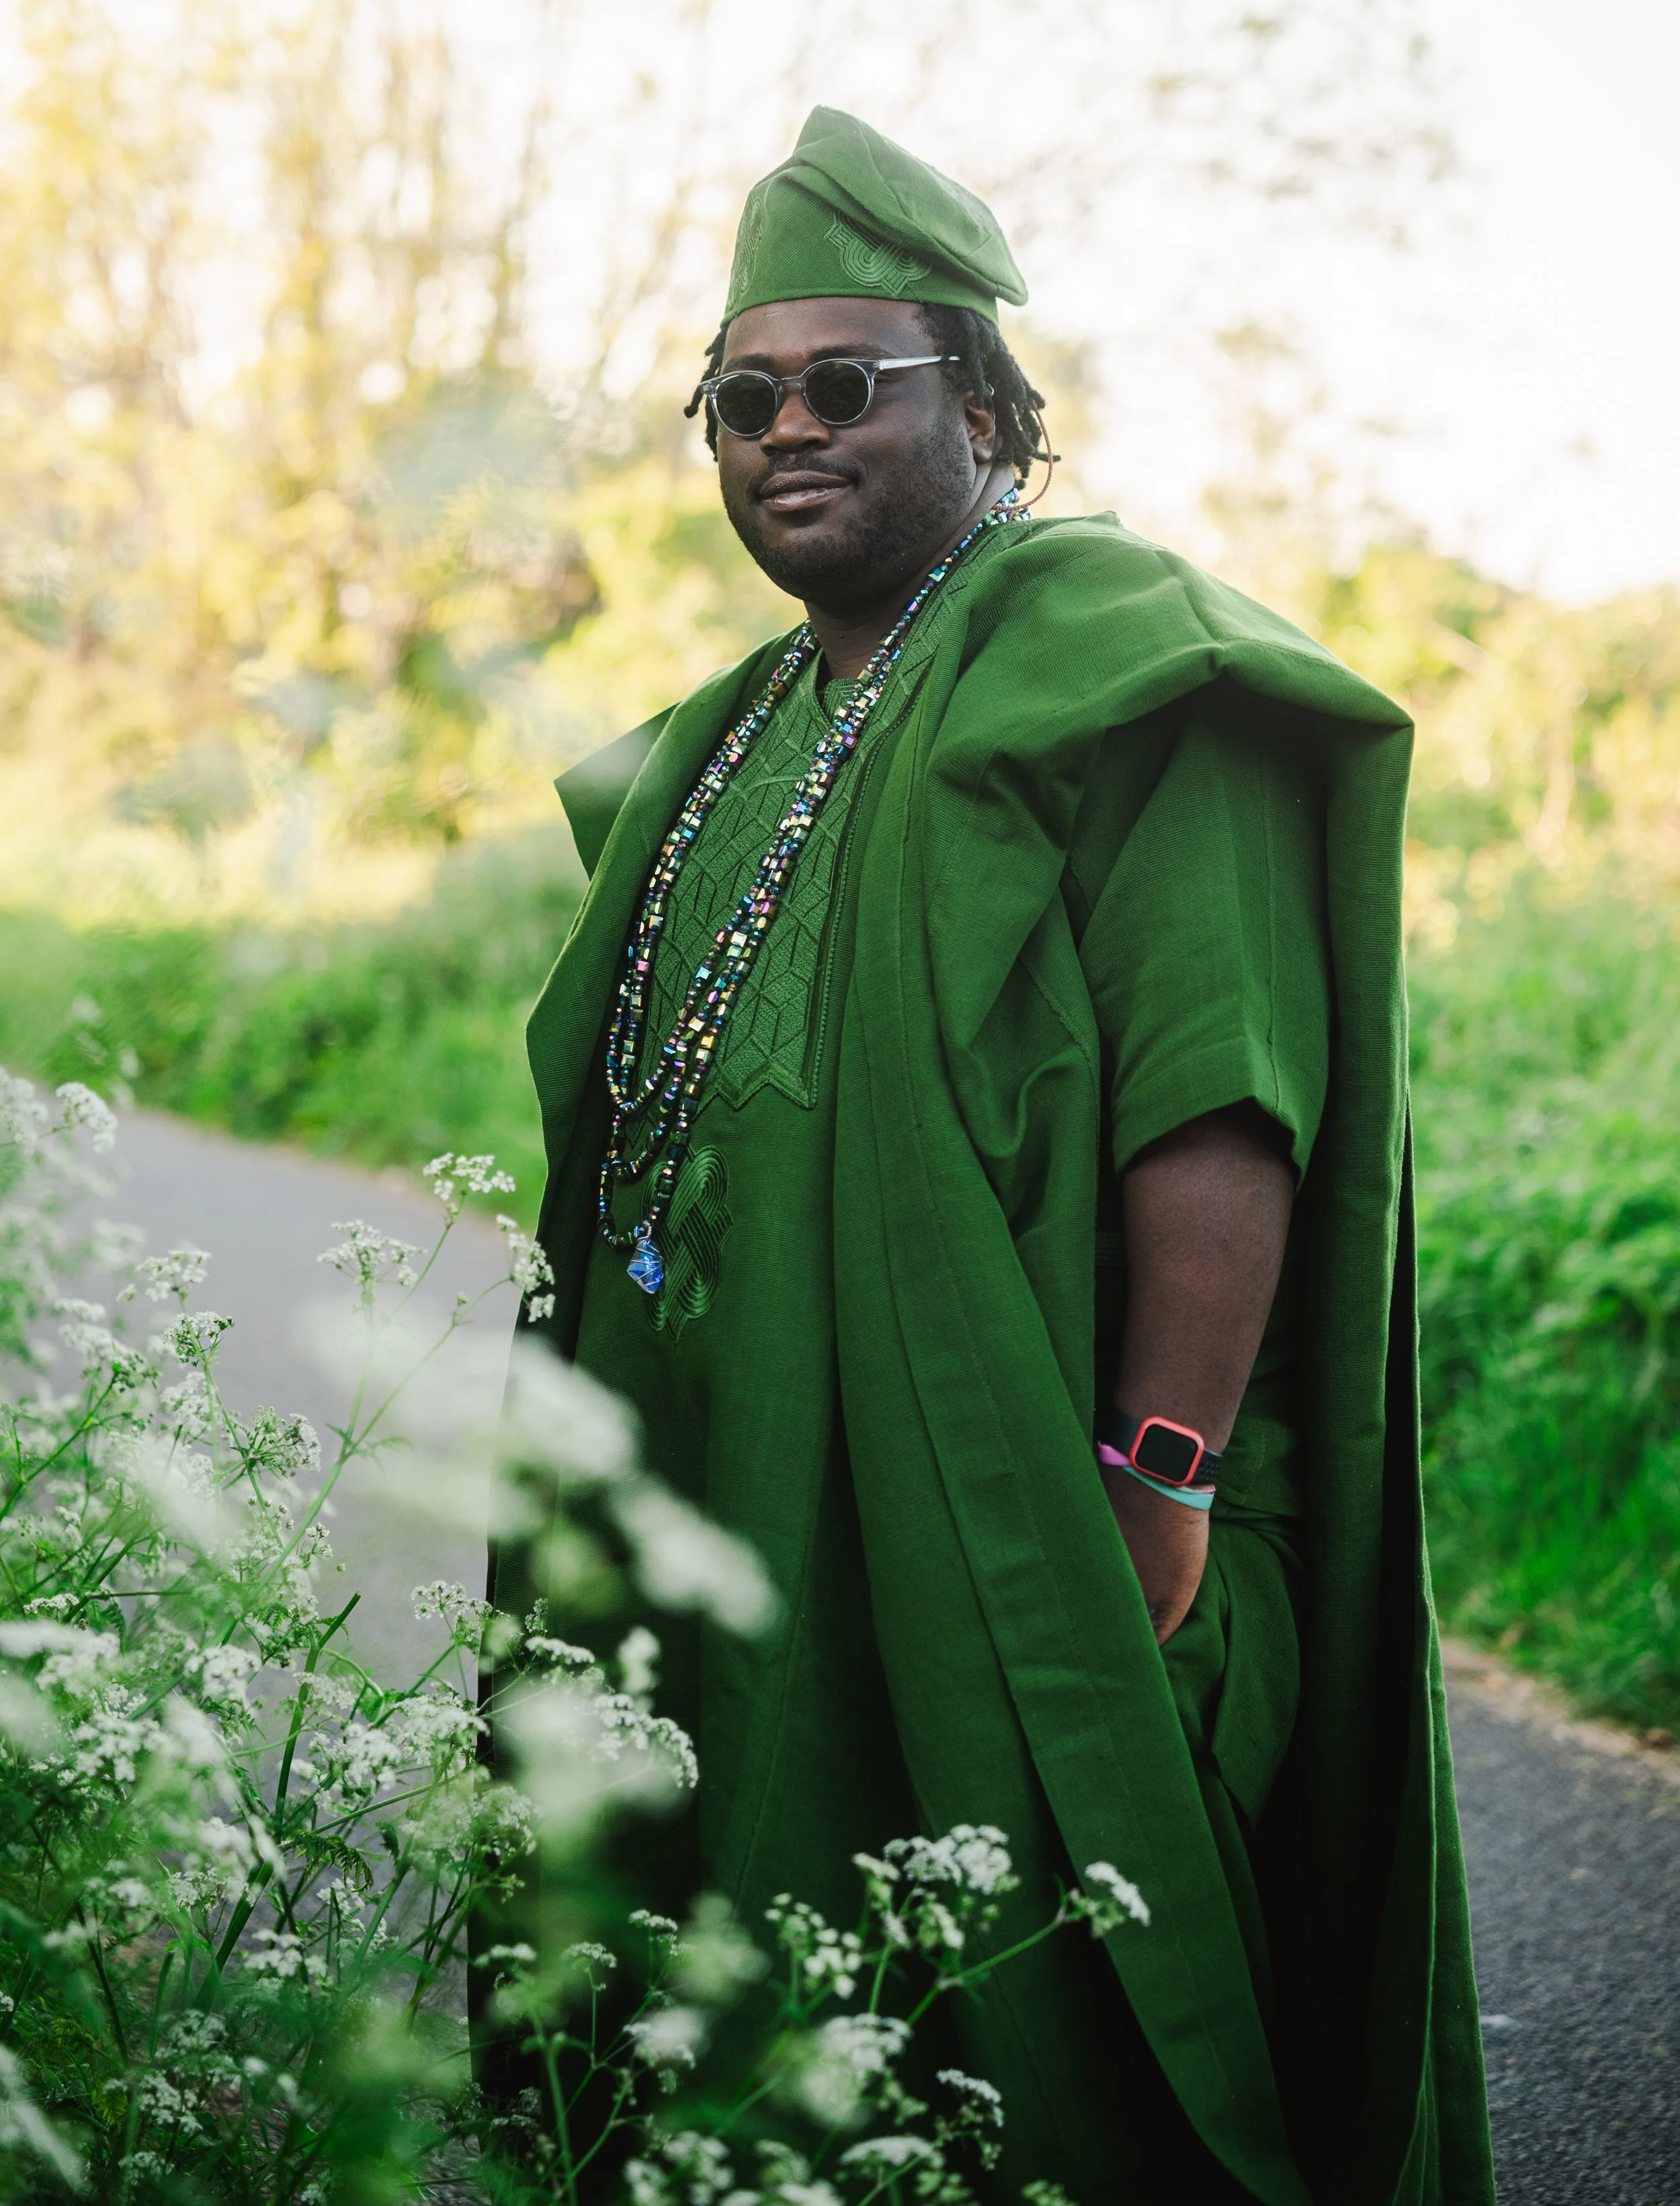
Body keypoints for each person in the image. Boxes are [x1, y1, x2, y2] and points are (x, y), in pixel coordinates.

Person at [497, 108, 1495, 2203]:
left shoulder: (1118, 671)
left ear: (987, 404)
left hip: (1024, 1497)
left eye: (845, 384)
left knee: (1046, 2020)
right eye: (740, 399)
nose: (786, 430)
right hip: (745, 1483)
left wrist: (1153, 1481)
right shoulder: (733, 730)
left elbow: (1218, 1105)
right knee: (757, 1995)